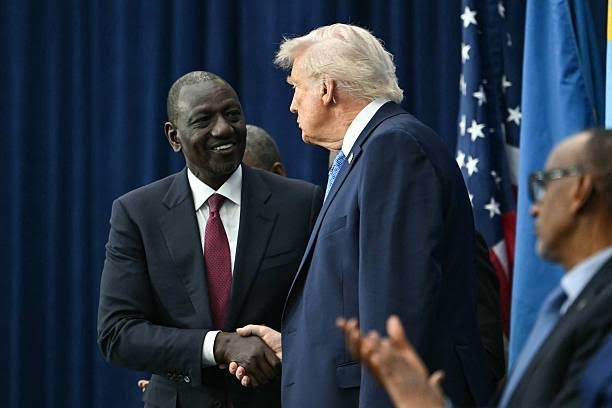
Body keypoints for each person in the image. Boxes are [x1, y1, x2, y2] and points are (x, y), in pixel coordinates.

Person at [230, 23, 494, 407]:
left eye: (296, 87)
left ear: (327, 89)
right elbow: (355, 297)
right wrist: (298, 347)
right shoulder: (366, 154)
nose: (292, 105)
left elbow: (396, 315)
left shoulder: (394, 148)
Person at [338, 128, 612, 407]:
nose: (534, 208)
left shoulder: (603, 310)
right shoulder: (568, 304)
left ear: (579, 190)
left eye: (543, 185)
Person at [97, 71, 323, 408]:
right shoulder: (137, 214)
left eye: (232, 115)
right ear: (174, 137)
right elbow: (118, 334)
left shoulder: (301, 204)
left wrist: (287, 348)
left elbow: (326, 313)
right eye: (203, 120)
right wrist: (218, 345)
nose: (223, 129)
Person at [136, 122, 290, 394]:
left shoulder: (303, 212)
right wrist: (169, 382)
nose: (227, 187)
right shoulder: (146, 216)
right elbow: (124, 331)